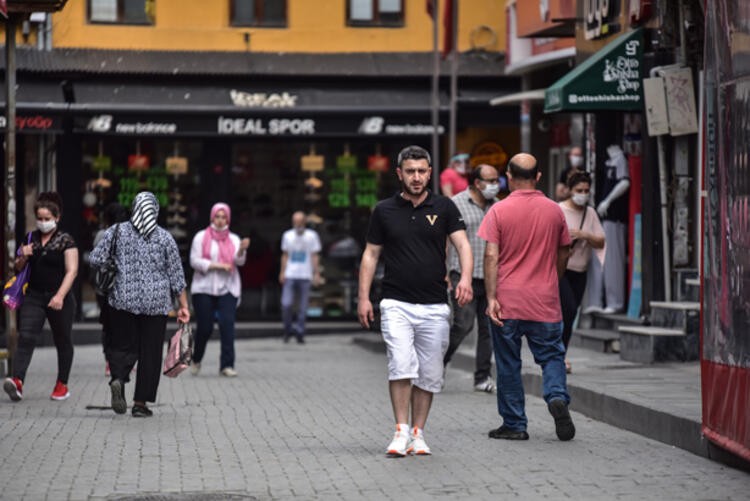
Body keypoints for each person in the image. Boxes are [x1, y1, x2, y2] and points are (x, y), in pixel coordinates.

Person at [358, 145, 473, 457]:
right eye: (410, 171)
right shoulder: (383, 210)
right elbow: (370, 254)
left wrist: (464, 278)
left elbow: (462, 244)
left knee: (430, 373)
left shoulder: (445, 207)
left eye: (422, 171)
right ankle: (400, 430)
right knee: (400, 364)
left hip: (435, 305)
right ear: (400, 174)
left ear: (430, 173)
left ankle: (418, 434)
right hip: (395, 302)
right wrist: (364, 297)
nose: (417, 177)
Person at [477, 153, 575, 442]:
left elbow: (491, 255)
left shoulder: (498, 211)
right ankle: (556, 396)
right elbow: (564, 251)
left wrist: (491, 297)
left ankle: (515, 424)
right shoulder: (555, 211)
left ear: (508, 175)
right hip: (544, 300)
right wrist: (552, 281)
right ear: (539, 177)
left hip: (508, 301)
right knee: (552, 356)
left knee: (508, 363)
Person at [90, 191, 190, 417]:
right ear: (155, 210)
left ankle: (118, 378)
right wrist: (183, 306)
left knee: (122, 345)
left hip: (122, 300)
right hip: (155, 304)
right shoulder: (165, 238)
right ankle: (140, 404)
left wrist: (117, 263)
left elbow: (95, 258)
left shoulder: (117, 231)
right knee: (150, 352)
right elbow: (176, 275)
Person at [3, 192, 78, 402]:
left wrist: (60, 296)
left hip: (58, 297)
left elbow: (72, 271)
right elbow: (18, 268)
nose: (43, 223)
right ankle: (17, 381)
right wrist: (22, 256)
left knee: (62, 340)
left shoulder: (65, 240)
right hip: (34, 296)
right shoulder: (31, 238)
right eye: (40, 218)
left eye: (47, 219)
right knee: (26, 336)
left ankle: (62, 384)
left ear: (57, 217)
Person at [443, 163, 500, 393]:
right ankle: (440, 363)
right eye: (491, 181)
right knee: (463, 324)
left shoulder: (497, 206)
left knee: (488, 328)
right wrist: (443, 272)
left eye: (498, 180)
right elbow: (444, 240)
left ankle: (482, 377)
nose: (496, 185)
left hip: (490, 277)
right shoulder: (455, 204)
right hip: (462, 275)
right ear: (477, 182)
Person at [189, 202, 250, 377]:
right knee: (205, 327)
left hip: (228, 287)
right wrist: (216, 265)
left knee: (227, 324)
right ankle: (197, 358)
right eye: (218, 216)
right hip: (203, 287)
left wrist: (241, 251)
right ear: (212, 217)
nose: (221, 220)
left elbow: (239, 262)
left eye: (224, 217)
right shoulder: (201, 237)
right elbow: (194, 261)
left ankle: (227, 365)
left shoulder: (234, 239)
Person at [558, 171, 605, 373]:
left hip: (581, 271)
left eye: (586, 190)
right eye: (579, 190)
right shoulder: (558, 210)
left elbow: (601, 241)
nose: (583, 194)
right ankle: (556, 355)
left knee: (571, 314)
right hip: (561, 270)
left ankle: (561, 354)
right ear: (569, 190)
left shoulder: (590, 213)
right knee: (567, 309)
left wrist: (583, 234)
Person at [585, 144, 630, 314]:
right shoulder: (607, 161)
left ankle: (615, 301)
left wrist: (608, 201)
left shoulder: (620, 160)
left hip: (613, 217)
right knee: (597, 260)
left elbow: (625, 181)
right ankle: (597, 300)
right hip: (601, 217)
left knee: (612, 260)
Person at [92, 202, 130, 377]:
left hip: (105, 288)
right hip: (125, 287)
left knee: (108, 324)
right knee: (124, 324)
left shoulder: (102, 234)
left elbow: (95, 260)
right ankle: (124, 359)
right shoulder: (132, 234)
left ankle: (110, 361)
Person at [279, 211, 322, 343]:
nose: (297, 224)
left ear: (304, 222)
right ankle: (287, 329)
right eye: (295, 221)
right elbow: (285, 255)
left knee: (303, 306)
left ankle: (300, 332)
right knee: (286, 304)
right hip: (290, 274)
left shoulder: (312, 236)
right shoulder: (287, 235)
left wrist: (317, 273)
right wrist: (282, 271)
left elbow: (315, 255)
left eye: (300, 221)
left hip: (305, 274)